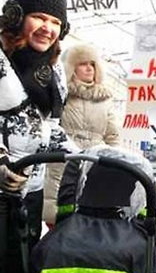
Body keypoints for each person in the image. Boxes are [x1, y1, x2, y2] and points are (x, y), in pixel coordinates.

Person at [0, 0, 78, 273]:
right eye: (38, 17)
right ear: (17, 17)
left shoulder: (53, 72)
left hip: (27, 196)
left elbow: (46, 128)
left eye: (54, 21)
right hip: (0, 194)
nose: (47, 27)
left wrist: (89, 158)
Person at [42, 43, 121, 227]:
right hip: (62, 161)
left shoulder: (105, 98)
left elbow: (113, 135)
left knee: (91, 221)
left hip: (95, 164)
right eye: (82, 64)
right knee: (58, 220)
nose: (88, 68)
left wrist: (115, 163)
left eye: (92, 64)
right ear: (71, 68)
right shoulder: (60, 94)